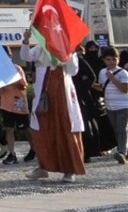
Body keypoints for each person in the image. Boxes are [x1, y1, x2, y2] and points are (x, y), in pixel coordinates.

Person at [22, 40, 85, 182]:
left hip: (62, 93)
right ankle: (43, 167)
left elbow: (73, 70)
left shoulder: (65, 48)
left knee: (65, 129)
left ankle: (70, 170)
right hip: (44, 94)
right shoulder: (40, 47)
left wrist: (71, 53)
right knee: (42, 131)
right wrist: (25, 41)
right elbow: (26, 56)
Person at [94, 46, 128, 164]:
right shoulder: (102, 72)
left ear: (118, 59)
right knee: (116, 129)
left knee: (122, 129)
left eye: (114, 59)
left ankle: (122, 152)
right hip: (110, 105)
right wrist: (90, 84)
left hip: (123, 105)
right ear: (104, 60)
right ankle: (124, 149)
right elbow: (102, 87)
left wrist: (112, 78)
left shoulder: (123, 73)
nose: (111, 62)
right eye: (108, 59)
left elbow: (125, 89)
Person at [0, 59, 30, 164]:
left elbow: (23, 85)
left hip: (19, 104)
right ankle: (12, 154)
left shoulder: (17, 68)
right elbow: (0, 91)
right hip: (6, 105)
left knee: (26, 129)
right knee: (8, 129)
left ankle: (35, 149)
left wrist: (9, 79)